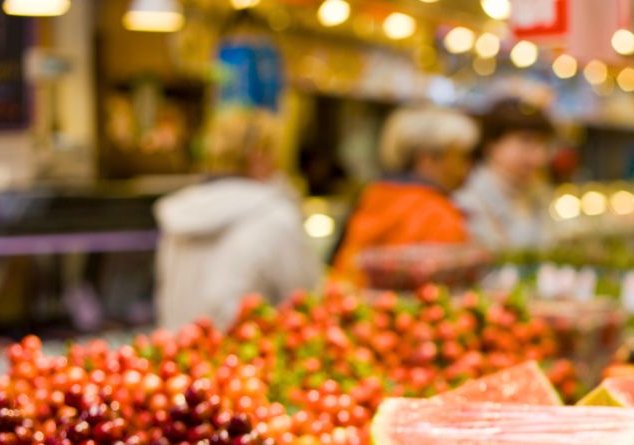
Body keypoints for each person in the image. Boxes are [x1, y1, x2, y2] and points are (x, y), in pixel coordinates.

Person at [153, 108, 318, 331]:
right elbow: (305, 300)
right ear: (259, 157)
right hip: (245, 359)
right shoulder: (275, 217)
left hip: (177, 355)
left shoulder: (184, 214)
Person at [332, 106, 479, 281]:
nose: (466, 168)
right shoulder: (437, 213)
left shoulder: (374, 195)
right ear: (427, 159)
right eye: (461, 157)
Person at [455, 99, 554, 251]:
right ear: (491, 144)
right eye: (525, 141)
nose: (538, 156)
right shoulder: (465, 203)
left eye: (542, 144)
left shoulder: (538, 195)